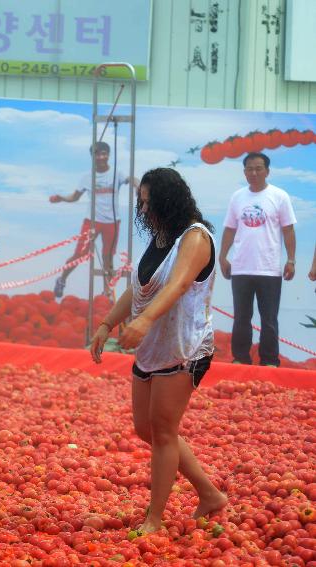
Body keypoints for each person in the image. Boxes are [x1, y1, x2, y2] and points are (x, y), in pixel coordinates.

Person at [90, 168, 228, 534]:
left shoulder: (196, 238)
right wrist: (107, 324)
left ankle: (155, 517)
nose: (145, 209)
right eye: (143, 202)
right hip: (153, 349)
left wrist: (145, 321)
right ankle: (210, 494)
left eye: (150, 202)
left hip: (185, 348)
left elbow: (180, 284)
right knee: (147, 428)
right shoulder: (161, 238)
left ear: (172, 200)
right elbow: (139, 288)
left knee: (164, 430)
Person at [219, 152, 297, 366]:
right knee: (241, 318)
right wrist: (223, 256)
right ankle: (241, 358)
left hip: (269, 269)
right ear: (244, 172)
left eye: (258, 168)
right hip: (241, 268)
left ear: (267, 171)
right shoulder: (237, 197)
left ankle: (270, 360)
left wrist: (291, 260)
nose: (254, 173)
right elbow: (229, 229)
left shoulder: (279, 196)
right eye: (249, 169)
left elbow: (288, 230)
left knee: (269, 319)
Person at [50, 141, 137, 298]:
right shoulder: (87, 177)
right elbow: (74, 197)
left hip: (112, 223)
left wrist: (139, 186)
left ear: (108, 155)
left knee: (107, 258)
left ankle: (107, 292)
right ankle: (62, 280)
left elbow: (131, 179)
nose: (101, 157)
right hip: (92, 222)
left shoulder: (117, 173)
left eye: (104, 153)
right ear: (92, 156)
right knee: (80, 254)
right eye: (97, 154)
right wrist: (61, 198)